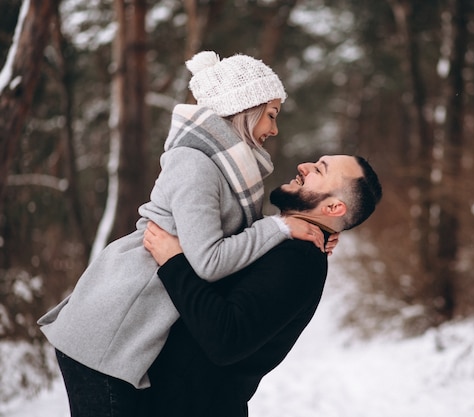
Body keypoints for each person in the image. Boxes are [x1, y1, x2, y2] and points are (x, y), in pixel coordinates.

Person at [37, 50, 331, 416]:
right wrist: (280, 226)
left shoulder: (228, 169)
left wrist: (292, 232)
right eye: (271, 115)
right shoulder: (194, 163)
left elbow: (232, 237)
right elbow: (209, 261)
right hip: (107, 332)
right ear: (245, 109)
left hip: (135, 330)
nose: (274, 129)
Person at [139, 154, 382, 416]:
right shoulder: (286, 245)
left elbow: (226, 339)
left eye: (319, 170)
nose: (303, 166)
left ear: (334, 208)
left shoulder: (299, 260)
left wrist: (174, 263)